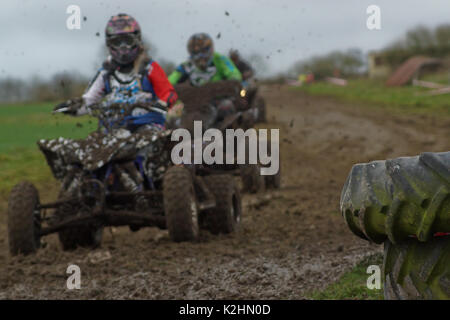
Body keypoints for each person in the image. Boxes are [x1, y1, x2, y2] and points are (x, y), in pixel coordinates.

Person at [54, 13, 178, 132]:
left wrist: (163, 103)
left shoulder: (149, 68)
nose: (123, 48)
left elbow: (169, 93)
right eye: (117, 42)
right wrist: (72, 107)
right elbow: (89, 100)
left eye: (128, 41)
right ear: (109, 44)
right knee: (96, 150)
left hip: (149, 125)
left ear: (137, 41)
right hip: (114, 127)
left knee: (148, 146)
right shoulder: (106, 72)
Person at [168, 33, 242, 87]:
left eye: (203, 51)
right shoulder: (187, 65)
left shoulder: (220, 59)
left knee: (226, 106)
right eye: (196, 52)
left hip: (219, 96)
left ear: (210, 49)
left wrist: (232, 81)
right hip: (195, 99)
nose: (200, 56)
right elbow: (170, 80)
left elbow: (234, 73)